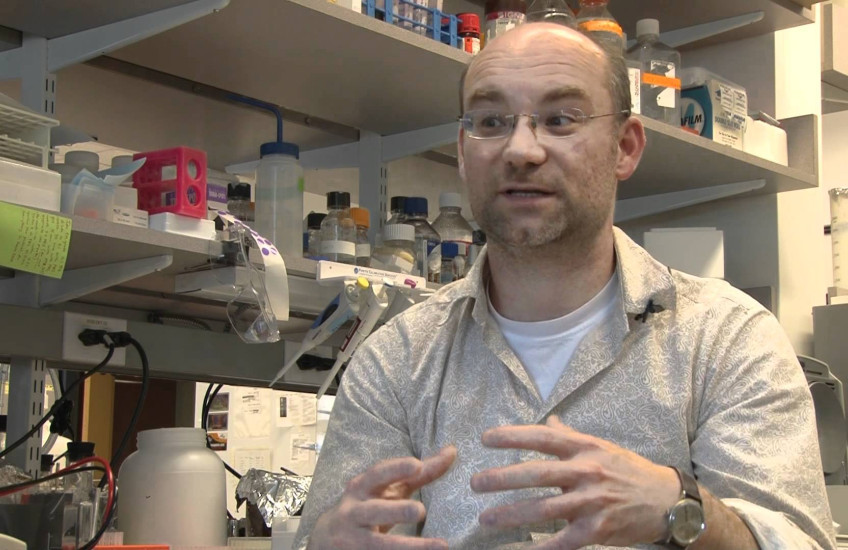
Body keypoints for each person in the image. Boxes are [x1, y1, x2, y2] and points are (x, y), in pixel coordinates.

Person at [293, 22, 836, 550]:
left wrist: (678, 508)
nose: (521, 149)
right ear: (462, 152)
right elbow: (331, 536)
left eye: (560, 119)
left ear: (625, 146)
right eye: (490, 121)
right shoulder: (396, 362)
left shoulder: (727, 341)